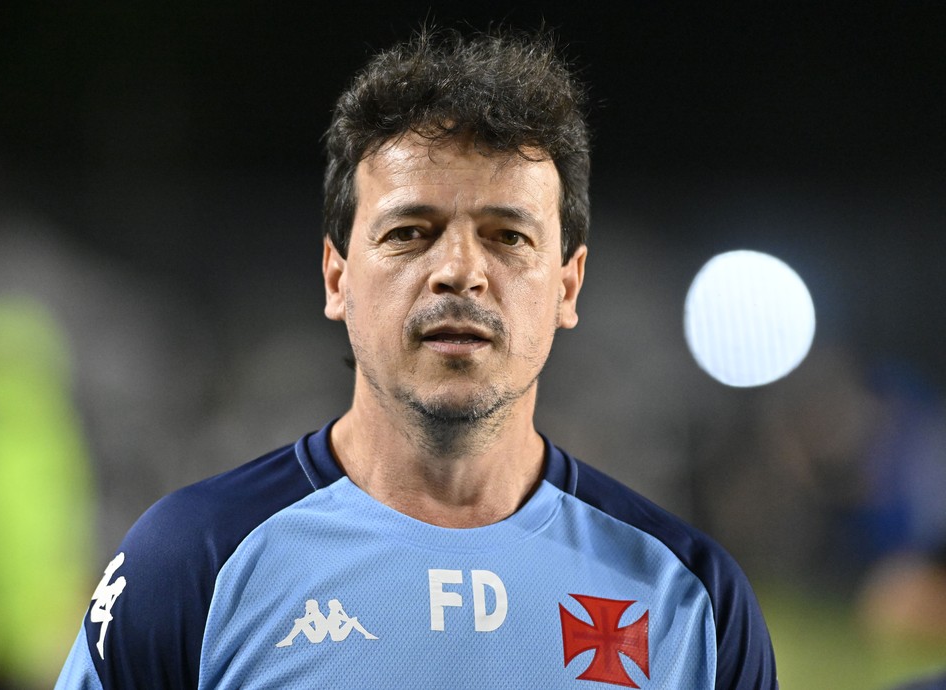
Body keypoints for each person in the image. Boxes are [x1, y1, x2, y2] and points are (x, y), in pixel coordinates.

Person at [56, 27, 778, 689]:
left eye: (508, 236)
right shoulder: (193, 562)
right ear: (337, 278)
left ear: (568, 284)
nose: (459, 271)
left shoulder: (689, 600)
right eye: (409, 232)